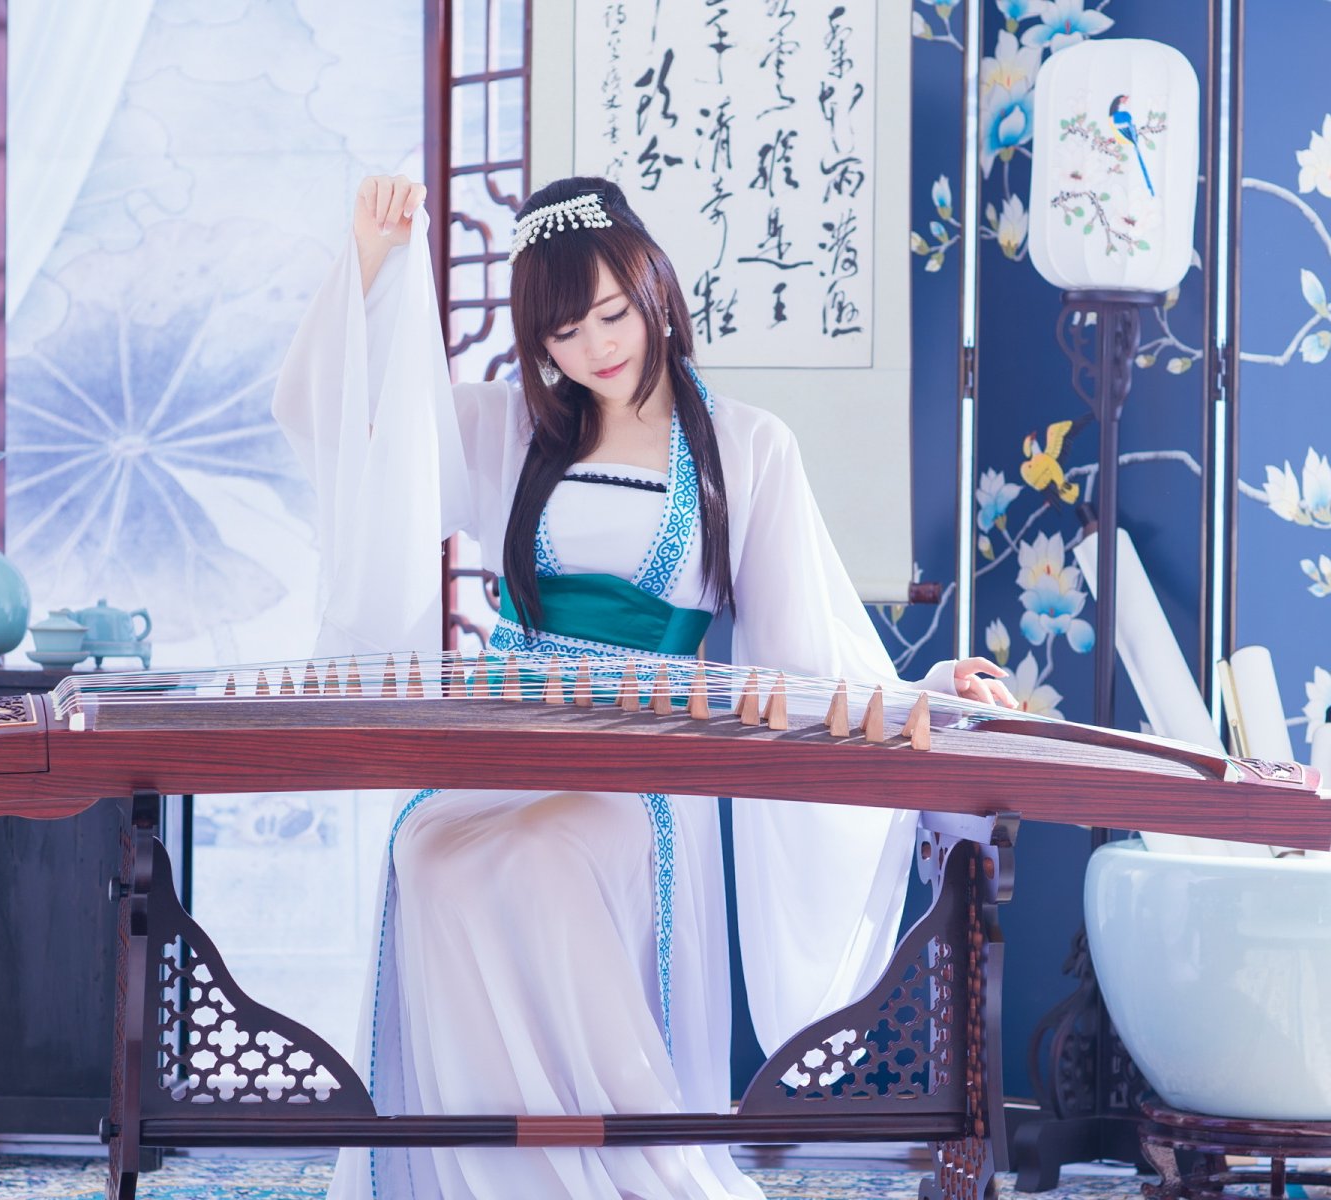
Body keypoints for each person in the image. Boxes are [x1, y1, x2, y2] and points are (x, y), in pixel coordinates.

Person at [272, 173, 1016, 1200]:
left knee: (544, 856)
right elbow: (347, 434)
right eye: (566, 333)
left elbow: (807, 650)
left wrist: (923, 692)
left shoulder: (746, 447)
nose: (597, 348)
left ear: (656, 288)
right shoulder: (509, 430)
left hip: (648, 761)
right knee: (427, 852)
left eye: (613, 313)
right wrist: (373, 263)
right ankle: (499, 1175)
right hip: (502, 739)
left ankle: (615, 1163)